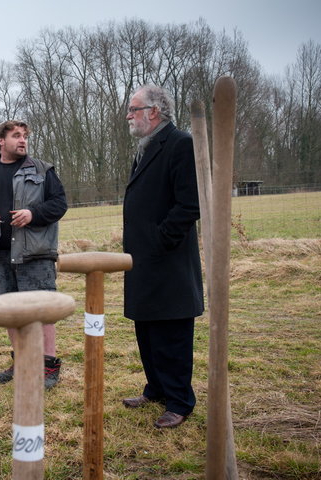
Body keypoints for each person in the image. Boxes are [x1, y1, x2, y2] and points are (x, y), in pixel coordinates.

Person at [0, 120, 67, 388]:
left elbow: (59, 204)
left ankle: (47, 367)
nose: (23, 140)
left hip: (35, 254)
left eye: (25, 136)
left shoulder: (42, 170)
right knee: (10, 311)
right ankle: (22, 361)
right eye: (16, 136)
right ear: (1, 141)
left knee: (42, 310)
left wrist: (34, 214)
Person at [121, 85, 204, 428]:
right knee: (148, 328)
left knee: (171, 332)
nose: (129, 114)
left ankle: (180, 401)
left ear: (153, 112)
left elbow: (190, 204)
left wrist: (160, 240)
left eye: (133, 108)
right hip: (142, 260)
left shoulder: (180, 144)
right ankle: (155, 388)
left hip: (168, 260)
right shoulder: (145, 148)